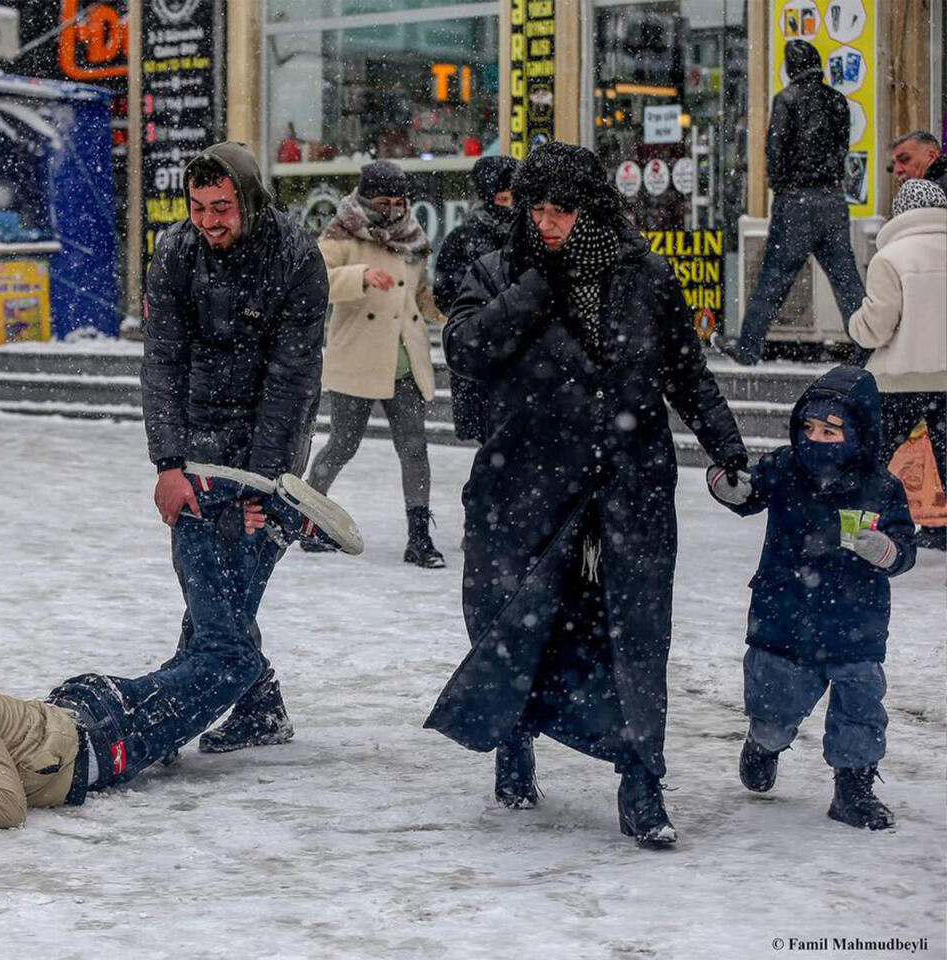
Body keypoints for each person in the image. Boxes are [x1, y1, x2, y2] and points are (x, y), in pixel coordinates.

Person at [424, 142, 747, 847]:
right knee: (513, 619)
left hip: (629, 481)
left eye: (560, 210)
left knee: (636, 634)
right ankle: (514, 738)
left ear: (592, 208)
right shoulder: (499, 269)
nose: (545, 223)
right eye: (534, 208)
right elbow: (467, 349)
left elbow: (686, 374)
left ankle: (642, 782)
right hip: (527, 481)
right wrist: (537, 285)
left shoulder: (645, 277)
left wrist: (726, 447)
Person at [0, 465, 362, 832]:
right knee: (201, 662)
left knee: (230, 661)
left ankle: (196, 514)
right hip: (78, 710)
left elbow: (5, 806)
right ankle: (267, 534)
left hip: (108, 736)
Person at [141, 141, 328, 755]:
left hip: (270, 437)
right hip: (196, 438)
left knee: (232, 580)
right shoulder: (174, 252)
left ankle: (173, 709)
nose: (208, 220)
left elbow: (291, 378)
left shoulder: (298, 256)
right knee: (206, 581)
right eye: (197, 206)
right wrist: (168, 463)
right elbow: (162, 361)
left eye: (221, 207)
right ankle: (248, 704)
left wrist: (264, 486)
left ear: (248, 199)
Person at [707, 366, 916, 829]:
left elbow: (905, 550)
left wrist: (887, 551)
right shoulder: (784, 468)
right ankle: (764, 742)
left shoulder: (882, 488)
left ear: (861, 433)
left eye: (831, 430)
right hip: (785, 617)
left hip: (855, 623)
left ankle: (853, 788)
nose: (818, 439)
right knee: (773, 705)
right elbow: (750, 493)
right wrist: (731, 487)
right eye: (810, 428)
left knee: (861, 706)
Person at [306, 160, 448, 567]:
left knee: (414, 449)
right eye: (384, 201)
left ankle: (419, 537)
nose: (393, 209)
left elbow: (420, 293)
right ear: (367, 198)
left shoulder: (412, 236)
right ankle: (307, 520)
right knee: (343, 444)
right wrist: (360, 275)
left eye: (400, 201)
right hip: (360, 357)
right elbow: (316, 280)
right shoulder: (342, 232)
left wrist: (448, 310)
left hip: (405, 359)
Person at [713, 40, 866, 366]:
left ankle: (748, 347)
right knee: (846, 279)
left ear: (791, 67)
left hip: (796, 200)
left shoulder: (786, 99)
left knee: (773, 278)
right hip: (832, 198)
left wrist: (782, 189)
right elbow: (842, 149)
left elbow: (776, 150)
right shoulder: (837, 101)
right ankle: (867, 348)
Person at [847, 179, 947, 550]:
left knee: (871, 461)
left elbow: (874, 330)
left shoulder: (891, 258)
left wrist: (855, 322)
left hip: (898, 383)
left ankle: (855, 535)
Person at [434, 156, 519, 445]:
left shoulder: (533, 235)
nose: (513, 204)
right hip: (484, 362)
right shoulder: (463, 240)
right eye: (508, 196)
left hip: (520, 365)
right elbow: (448, 299)